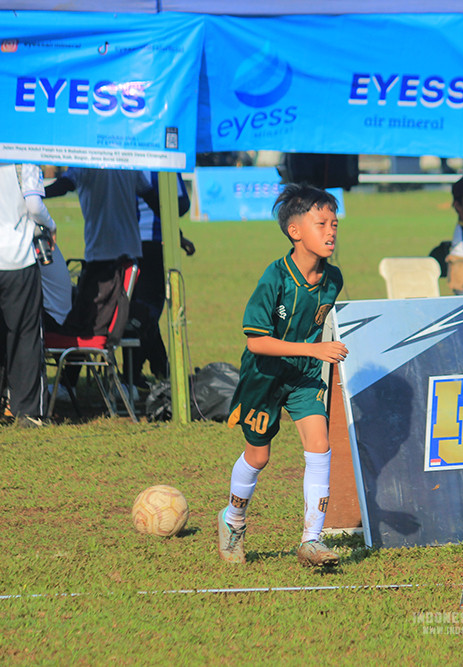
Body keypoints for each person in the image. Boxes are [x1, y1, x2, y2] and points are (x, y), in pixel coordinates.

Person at [217, 183, 348, 568]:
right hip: (264, 375)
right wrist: (314, 349)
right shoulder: (274, 278)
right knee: (259, 457)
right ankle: (233, 520)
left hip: (305, 375)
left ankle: (312, 539)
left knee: (320, 446)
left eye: (335, 224)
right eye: (321, 223)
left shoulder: (333, 279)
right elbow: (257, 341)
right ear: (295, 232)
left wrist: (317, 354)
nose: (331, 231)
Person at [44, 168, 156, 340]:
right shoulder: (129, 160)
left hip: (101, 254)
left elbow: (65, 185)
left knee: (87, 322)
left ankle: (71, 365)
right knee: (131, 318)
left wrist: (33, 195)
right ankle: (154, 365)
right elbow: (151, 196)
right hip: (130, 251)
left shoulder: (85, 159)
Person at [0, 163, 55, 427]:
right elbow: (34, 205)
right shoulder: (24, 154)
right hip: (17, 259)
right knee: (26, 334)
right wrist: (50, 225)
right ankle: (29, 412)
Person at [128, 171, 194, 387]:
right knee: (145, 314)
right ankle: (133, 375)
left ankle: (160, 368)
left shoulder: (123, 161)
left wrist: (179, 237)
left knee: (137, 311)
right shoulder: (162, 163)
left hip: (123, 245)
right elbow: (182, 204)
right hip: (154, 245)